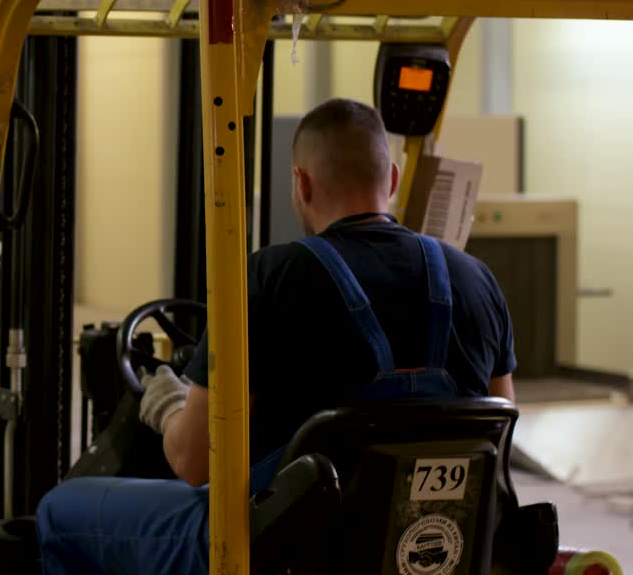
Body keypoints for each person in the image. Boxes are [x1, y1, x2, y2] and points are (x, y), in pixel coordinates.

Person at [36, 98, 516, 574]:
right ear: (390, 179)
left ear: (301, 184)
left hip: (286, 545)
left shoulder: (269, 277)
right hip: (435, 544)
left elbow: (193, 461)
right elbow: (500, 438)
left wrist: (168, 407)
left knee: (60, 512)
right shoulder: (478, 279)